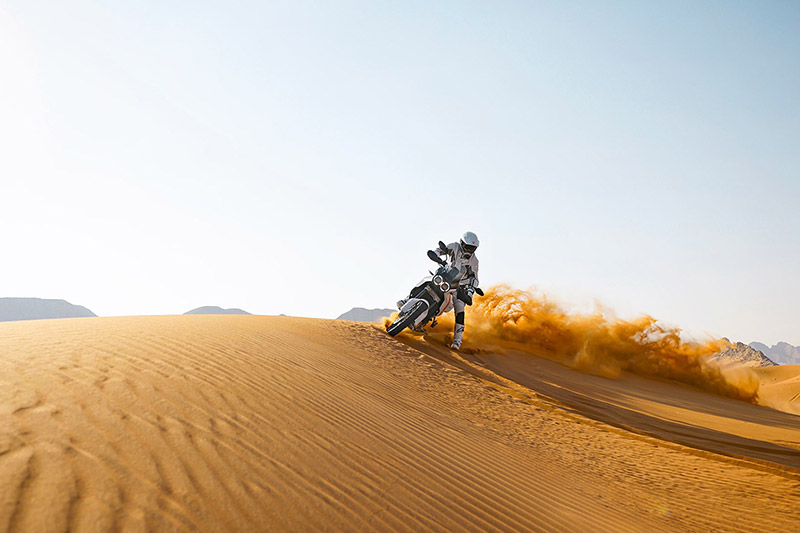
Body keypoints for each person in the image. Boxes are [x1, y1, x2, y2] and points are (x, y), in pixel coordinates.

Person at [397, 231, 480, 350]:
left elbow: (474, 278)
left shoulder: (474, 261)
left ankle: (457, 341)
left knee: (460, 309)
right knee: (426, 279)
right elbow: (441, 250)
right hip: (444, 275)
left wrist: (469, 293)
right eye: (467, 247)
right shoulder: (454, 246)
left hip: (458, 287)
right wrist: (436, 254)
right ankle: (406, 300)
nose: (469, 250)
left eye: (472, 248)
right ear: (462, 243)